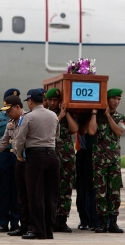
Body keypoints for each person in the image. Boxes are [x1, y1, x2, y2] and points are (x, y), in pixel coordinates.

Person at [14, 89, 60, 240]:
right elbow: (57, 135)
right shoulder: (53, 115)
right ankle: (49, 230)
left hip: (35, 156)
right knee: (50, 195)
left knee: (35, 194)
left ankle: (37, 230)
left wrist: (19, 155)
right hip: (52, 155)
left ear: (30, 101)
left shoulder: (29, 117)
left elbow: (20, 139)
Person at [0, 95, 27, 237]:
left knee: (18, 190)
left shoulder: (28, 118)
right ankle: (3, 222)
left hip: (21, 157)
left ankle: (16, 221)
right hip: (4, 156)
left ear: (17, 106)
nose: (7, 113)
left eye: (9, 109)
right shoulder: (3, 120)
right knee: (3, 189)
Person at [89, 88, 125, 233]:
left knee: (115, 192)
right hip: (99, 161)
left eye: (118, 99)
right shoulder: (97, 117)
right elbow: (91, 131)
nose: (116, 102)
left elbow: (119, 131)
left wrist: (108, 116)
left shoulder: (122, 117)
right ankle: (102, 222)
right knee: (101, 192)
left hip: (114, 161)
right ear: (107, 99)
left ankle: (113, 222)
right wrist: (94, 113)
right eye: (114, 99)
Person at [45, 88, 78, 232]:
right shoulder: (45, 115)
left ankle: (62, 220)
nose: (53, 103)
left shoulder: (66, 114)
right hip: (51, 155)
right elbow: (45, 130)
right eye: (51, 100)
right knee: (51, 188)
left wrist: (66, 114)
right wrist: (59, 117)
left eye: (56, 100)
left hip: (67, 156)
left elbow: (74, 129)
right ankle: (50, 219)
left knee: (66, 188)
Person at [75, 113, 99, 231]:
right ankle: (85, 219)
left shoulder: (97, 117)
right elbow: (86, 131)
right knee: (83, 190)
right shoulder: (81, 118)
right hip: (83, 155)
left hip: (95, 154)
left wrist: (94, 113)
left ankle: (94, 219)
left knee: (93, 189)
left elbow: (92, 131)